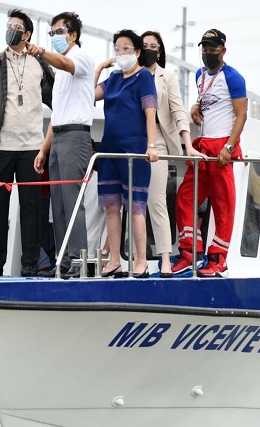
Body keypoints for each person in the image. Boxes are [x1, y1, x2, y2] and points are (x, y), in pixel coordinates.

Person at [0, 9, 54, 277]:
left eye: (16, 26)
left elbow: (59, 98)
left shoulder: (40, 64)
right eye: (8, 25)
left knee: (32, 208)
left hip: (32, 147)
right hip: (1, 147)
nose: (11, 29)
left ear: (27, 34)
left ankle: (30, 264)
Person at [171, 28, 247, 278]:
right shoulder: (199, 74)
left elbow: (241, 115)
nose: (207, 52)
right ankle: (190, 252)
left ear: (223, 50)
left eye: (212, 48)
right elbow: (207, 99)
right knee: (185, 196)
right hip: (203, 147)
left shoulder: (234, 78)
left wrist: (229, 147)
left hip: (222, 148)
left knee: (223, 205)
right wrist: (195, 106)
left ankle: (218, 259)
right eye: (204, 48)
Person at [31, 11, 95, 278]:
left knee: (72, 201)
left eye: (59, 32)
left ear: (73, 35)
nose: (55, 36)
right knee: (57, 205)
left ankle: (79, 261)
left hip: (75, 137)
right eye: (52, 32)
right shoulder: (60, 74)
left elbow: (65, 63)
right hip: (58, 136)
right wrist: (44, 150)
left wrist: (41, 52)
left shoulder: (80, 58)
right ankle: (64, 261)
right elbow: (56, 114)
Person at [94, 29, 159, 278]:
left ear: (137, 52)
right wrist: (99, 69)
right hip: (109, 149)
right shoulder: (112, 78)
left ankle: (140, 261)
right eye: (117, 48)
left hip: (134, 150)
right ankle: (114, 261)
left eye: (126, 48)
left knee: (136, 207)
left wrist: (151, 146)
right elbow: (87, 96)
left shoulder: (143, 76)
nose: (121, 53)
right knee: (112, 207)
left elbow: (150, 112)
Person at [140, 30, 202, 277]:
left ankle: (165, 258)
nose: (149, 49)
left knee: (155, 200)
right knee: (127, 203)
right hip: (134, 139)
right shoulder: (129, 73)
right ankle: (133, 258)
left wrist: (188, 144)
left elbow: (177, 111)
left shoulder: (167, 76)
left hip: (159, 141)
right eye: (144, 45)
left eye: (154, 46)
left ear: (160, 51)